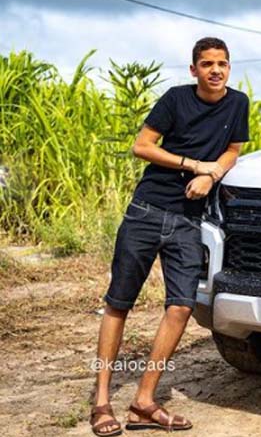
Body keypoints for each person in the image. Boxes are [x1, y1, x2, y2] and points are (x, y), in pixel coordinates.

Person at [89, 37, 249, 436]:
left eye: (223, 64)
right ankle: (102, 402)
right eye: (207, 64)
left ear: (229, 68)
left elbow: (234, 149)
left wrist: (211, 175)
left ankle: (144, 401)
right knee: (119, 303)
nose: (216, 70)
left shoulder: (238, 103)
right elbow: (141, 146)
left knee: (181, 307)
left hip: (188, 222)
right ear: (193, 69)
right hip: (147, 211)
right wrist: (194, 164)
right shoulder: (176, 99)